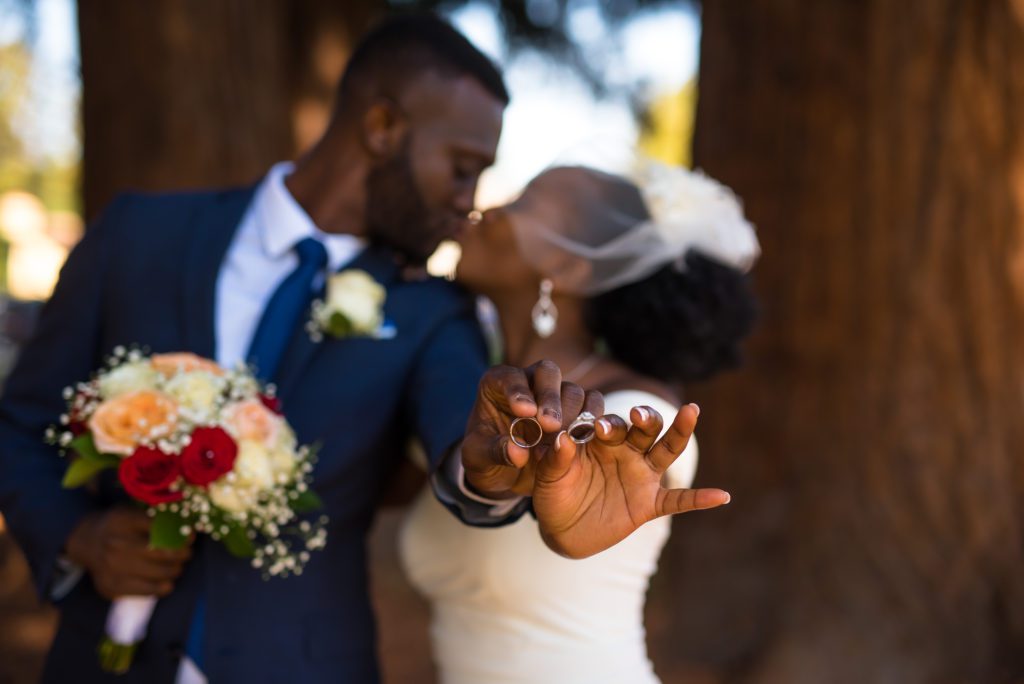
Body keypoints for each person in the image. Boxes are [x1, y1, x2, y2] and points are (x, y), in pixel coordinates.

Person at [0, 15, 727, 684]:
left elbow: (462, 442)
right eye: (463, 166)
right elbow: (20, 422)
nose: (469, 200)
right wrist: (78, 540)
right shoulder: (139, 235)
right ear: (382, 127)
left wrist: (506, 471)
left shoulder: (433, 310)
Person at [400, 161, 759, 683]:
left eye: (522, 203)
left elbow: (637, 442)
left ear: (572, 268)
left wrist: (590, 468)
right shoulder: (478, 405)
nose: (488, 209)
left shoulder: (635, 409)